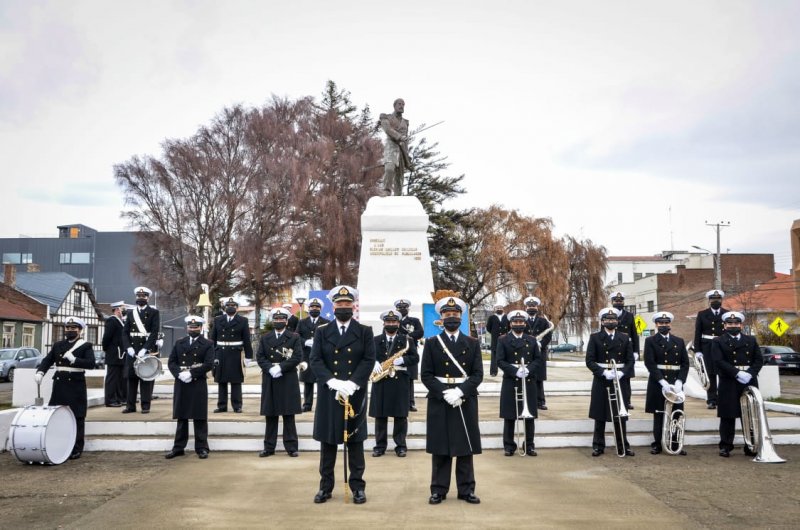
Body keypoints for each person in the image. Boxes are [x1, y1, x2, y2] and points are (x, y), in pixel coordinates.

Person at [309, 285, 375, 504]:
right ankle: (325, 487)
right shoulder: (322, 331)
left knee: (355, 443)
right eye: (340, 304)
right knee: (328, 443)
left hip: (354, 395)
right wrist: (332, 381)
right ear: (333, 306)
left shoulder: (365, 331)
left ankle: (357, 487)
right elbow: (316, 359)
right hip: (330, 394)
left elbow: (368, 360)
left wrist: (353, 384)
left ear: (353, 306)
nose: (344, 307)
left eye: (348, 304)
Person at [421, 296, 483, 505]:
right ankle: (438, 489)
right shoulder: (431, 343)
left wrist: (460, 391)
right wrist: (444, 392)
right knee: (441, 445)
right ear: (441, 318)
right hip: (440, 400)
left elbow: (477, 374)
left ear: (461, 317)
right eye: (448, 315)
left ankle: (466, 489)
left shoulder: (473, 343)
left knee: (464, 445)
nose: (452, 318)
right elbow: (426, 375)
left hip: (464, 399)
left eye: (455, 315)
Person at [35, 316, 95, 460]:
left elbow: (91, 364)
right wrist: (40, 372)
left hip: (75, 384)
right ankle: (57, 445)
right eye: (67, 328)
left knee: (77, 417)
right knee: (56, 416)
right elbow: (48, 360)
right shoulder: (58, 345)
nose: (70, 331)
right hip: (60, 384)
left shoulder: (85, 346)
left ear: (80, 330)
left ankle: (76, 448)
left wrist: (75, 360)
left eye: (73, 328)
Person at [712, 311, 763, 458]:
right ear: (725, 325)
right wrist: (737, 373)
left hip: (749, 380)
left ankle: (751, 445)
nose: (733, 325)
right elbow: (718, 361)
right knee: (728, 415)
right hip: (729, 380)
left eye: (735, 323)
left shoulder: (751, 340)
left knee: (750, 414)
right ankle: (725, 446)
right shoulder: (718, 341)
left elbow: (758, 360)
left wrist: (749, 373)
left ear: (741, 324)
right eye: (729, 323)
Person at [369, 309, 419, 458]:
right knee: (380, 416)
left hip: (400, 380)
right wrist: (374, 363)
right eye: (388, 322)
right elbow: (368, 356)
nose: (391, 324)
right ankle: (380, 446)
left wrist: (403, 360)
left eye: (394, 322)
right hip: (381, 380)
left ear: (398, 323)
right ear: (384, 323)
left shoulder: (406, 340)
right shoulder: (375, 340)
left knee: (400, 416)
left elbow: (415, 358)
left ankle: (401, 446)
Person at [585, 307, 635, 457]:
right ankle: (598, 446)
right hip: (602, 379)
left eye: (613, 319)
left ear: (618, 321)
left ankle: (623, 446)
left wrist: (622, 372)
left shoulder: (625, 338)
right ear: (602, 322)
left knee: (620, 414)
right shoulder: (594, 338)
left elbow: (630, 360)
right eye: (607, 319)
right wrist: (603, 372)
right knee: (600, 414)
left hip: (620, 379)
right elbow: (589, 360)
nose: (610, 322)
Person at [165, 316, 214, 459]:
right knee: (182, 416)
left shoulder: (207, 343)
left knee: (199, 416)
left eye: (196, 327)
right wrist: (179, 374)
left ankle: (202, 447)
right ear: (187, 328)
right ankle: (178, 447)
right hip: (181, 381)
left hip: (197, 381)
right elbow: (171, 361)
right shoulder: (180, 343)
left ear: (201, 327)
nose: (193, 329)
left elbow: (209, 364)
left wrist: (191, 374)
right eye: (190, 327)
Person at [256, 308, 303, 457]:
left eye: (281, 319)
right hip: (270, 377)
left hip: (287, 377)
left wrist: (281, 368)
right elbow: (260, 356)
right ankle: (269, 447)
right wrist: (270, 368)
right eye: (276, 319)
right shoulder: (265, 337)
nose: (278, 321)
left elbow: (297, 357)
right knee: (271, 414)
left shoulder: (294, 337)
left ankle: (292, 447)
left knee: (288, 414)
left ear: (286, 321)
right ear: (272, 321)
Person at [643, 311, 689, 455]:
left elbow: (685, 364)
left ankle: (674, 443)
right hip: (658, 382)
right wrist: (662, 381)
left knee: (676, 414)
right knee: (659, 413)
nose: (664, 325)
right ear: (656, 325)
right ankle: (657, 443)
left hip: (675, 382)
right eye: (661, 323)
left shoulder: (679, 341)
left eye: (666, 323)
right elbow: (650, 363)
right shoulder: (650, 341)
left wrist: (680, 381)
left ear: (670, 324)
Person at [497, 310, 542, 456]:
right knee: (510, 415)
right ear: (510, 324)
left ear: (525, 323)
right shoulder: (503, 340)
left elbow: (538, 359)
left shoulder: (532, 340)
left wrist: (528, 370)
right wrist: (514, 371)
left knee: (529, 417)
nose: (518, 324)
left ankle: (529, 445)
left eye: (521, 322)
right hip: (511, 380)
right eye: (515, 322)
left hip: (528, 380)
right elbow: (500, 360)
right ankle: (509, 446)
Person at [121, 286, 161, 414]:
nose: (141, 298)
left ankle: (145, 405)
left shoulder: (154, 312)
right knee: (131, 378)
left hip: (146, 349)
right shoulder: (130, 312)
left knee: (145, 378)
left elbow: (154, 333)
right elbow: (125, 332)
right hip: (132, 349)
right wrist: (128, 347)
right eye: (139, 296)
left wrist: (145, 348)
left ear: (148, 298)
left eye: (143, 296)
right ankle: (130, 406)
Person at [211, 297, 253, 413]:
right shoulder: (218, 320)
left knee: (236, 381)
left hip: (236, 353)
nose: (231, 307)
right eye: (228, 305)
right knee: (221, 380)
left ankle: (237, 405)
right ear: (225, 307)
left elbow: (246, 339)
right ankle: (222, 405)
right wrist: (212, 354)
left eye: (233, 305)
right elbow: (213, 338)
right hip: (221, 352)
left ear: (237, 308)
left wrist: (249, 356)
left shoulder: (243, 320)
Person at [694, 289, 729, 410]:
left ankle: (724, 398)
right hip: (707, 346)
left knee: (724, 372)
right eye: (713, 299)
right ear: (709, 301)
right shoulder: (702, 314)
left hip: (723, 345)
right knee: (710, 374)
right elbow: (698, 332)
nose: (716, 301)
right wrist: (697, 350)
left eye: (718, 299)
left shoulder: (727, 314)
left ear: (721, 300)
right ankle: (712, 400)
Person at [296, 298, 329, 412]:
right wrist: (305, 341)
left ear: (320, 309)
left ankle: (322, 404)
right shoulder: (302, 322)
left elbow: (329, 338)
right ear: (309, 308)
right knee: (308, 381)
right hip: (306, 355)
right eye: (312, 307)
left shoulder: (326, 322)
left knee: (322, 381)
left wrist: (318, 343)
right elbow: (297, 336)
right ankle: (307, 404)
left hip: (321, 356)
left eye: (317, 307)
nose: (314, 309)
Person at [610, 291, 639, 410]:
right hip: (614, 350)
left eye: (620, 301)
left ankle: (627, 401)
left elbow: (634, 334)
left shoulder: (629, 315)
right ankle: (614, 399)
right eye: (616, 301)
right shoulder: (608, 316)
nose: (618, 303)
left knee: (626, 378)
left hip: (627, 350)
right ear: (612, 302)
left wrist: (636, 351)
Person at [524, 296, 553, 410]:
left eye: (534, 306)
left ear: (537, 307)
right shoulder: (522, 320)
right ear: (526, 307)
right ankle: (528, 401)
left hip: (540, 351)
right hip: (526, 352)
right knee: (527, 377)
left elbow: (548, 335)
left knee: (539, 378)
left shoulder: (543, 321)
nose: (532, 308)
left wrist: (541, 344)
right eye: (530, 306)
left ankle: (540, 402)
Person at [394, 298, 423, 412]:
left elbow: (420, 332)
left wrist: (408, 336)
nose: (402, 310)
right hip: (396, 352)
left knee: (409, 378)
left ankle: (410, 403)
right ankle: (397, 402)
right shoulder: (393, 320)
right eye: (400, 308)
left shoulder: (414, 321)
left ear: (408, 309)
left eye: (404, 308)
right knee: (395, 377)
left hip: (410, 352)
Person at [379, 98, 410, 196]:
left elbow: (406, 140)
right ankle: (386, 190)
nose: (401, 106)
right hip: (391, 148)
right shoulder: (386, 117)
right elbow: (387, 129)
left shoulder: (406, 122)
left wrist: (407, 155)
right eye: (399, 104)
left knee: (399, 176)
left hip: (402, 150)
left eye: (403, 104)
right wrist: (399, 136)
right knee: (389, 169)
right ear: (395, 106)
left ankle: (398, 195)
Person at [101, 301, 127, 407]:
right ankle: (110, 399)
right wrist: (108, 350)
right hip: (114, 353)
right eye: (122, 308)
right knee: (112, 378)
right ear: (117, 310)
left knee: (120, 378)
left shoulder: (120, 321)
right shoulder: (112, 321)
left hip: (120, 354)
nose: (124, 311)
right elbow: (106, 338)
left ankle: (119, 398)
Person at [486, 304, 507, 377]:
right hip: (495, 340)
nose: (499, 309)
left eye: (500, 308)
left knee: (506, 356)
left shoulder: (506, 317)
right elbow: (488, 327)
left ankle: (507, 371)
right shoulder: (492, 317)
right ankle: (493, 372)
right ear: (495, 309)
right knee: (494, 357)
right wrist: (494, 333)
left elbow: (510, 327)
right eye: (497, 308)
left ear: (503, 309)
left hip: (505, 339)